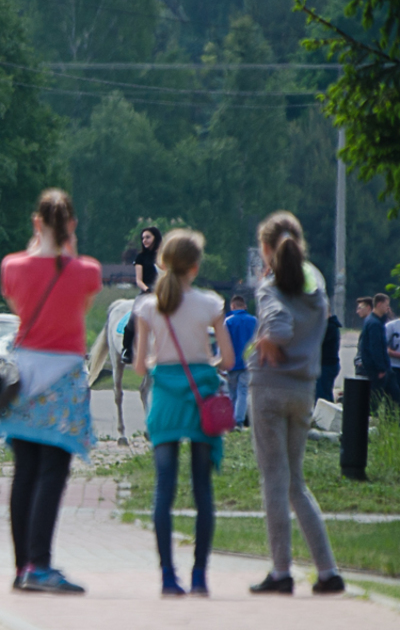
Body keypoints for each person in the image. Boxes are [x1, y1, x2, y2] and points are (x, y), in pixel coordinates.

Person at [0, 188, 101, 595]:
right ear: (72, 226)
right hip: (63, 378)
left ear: (36, 224)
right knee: (53, 470)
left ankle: (23, 566)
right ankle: (41, 563)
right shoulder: (87, 271)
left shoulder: (12, 266)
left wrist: (37, 246)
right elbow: (81, 306)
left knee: (24, 472)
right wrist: (63, 247)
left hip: (24, 374)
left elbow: (18, 299)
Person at [247, 211, 345, 596]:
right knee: (297, 483)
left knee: (274, 478)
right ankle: (327, 571)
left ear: (267, 250)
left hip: (269, 389)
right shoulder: (316, 286)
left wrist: (267, 339)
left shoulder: (270, 287)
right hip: (304, 389)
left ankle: (281, 571)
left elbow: (278, 325)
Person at [133, 229, 234, 597]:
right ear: (195, 266)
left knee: (164, 488)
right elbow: (230, 360)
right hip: (199, 396)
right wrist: (206, 363)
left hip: (165, 400)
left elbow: (141, 369)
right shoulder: (210, 304)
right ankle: (199, 575)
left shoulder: (147, 306)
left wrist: (159, 362)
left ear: (161, 264)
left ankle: (166, 577)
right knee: (202, 490)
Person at [122, 226, 163, 364]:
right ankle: (127, 350)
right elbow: (138, 280)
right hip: (146, 292)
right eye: (143, 238)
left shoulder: (163, 257)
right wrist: (147, 289)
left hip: (162, 292)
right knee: (133, 319)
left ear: (155, 238)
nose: (144, 240)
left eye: (148, 237)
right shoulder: (141, 257)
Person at [354, 294, 395, 407]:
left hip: (373, 368)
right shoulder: (374, 324)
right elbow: (375, 347)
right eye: (386, 305)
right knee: (378, 399)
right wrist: (381, 368)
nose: (388, 308)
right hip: (376, 370)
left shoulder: (372, 321)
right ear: (379, 304)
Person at [224, 295, 257, 428]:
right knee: (243, 391)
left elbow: (224, 343)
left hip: (232, 363)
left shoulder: (228, 321)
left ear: (232, 306)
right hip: (249, 363)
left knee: (232, 393)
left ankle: (232, 421)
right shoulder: (254, 321)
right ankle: (239, 421)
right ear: (245, 306)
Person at [316, 313, 342, 404]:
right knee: (325, 394)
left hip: (326, 365)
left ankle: (323, 417)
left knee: (322, 397)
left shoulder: (329, 327)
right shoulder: (331, 325)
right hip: (329, 364)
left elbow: (317, 343)